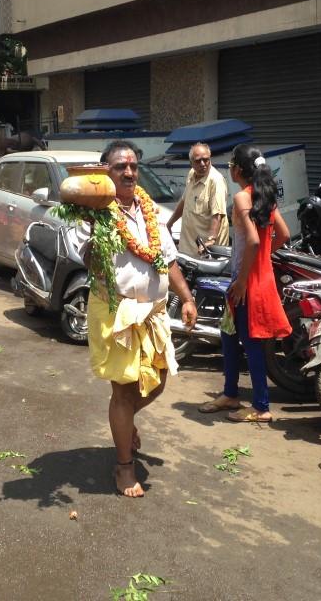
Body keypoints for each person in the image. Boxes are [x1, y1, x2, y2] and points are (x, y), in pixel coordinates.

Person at [80, 140, 197, 497]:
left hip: (154, 312)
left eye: (133, 166)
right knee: (124, 387)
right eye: (120, 167)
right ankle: (124, 467)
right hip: (117, 312)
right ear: (105, 172)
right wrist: (95, 229)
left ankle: (125, 419)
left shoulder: (152, 212)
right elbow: (88, 262)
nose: (129, 172)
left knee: (158, 381)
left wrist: (187, 297)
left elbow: (168, 260)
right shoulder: (93, 212)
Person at [198, 145, 291, 422]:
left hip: (245, 283)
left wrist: (242, 279)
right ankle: (230, 394)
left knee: (250, 344)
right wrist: (262, 257)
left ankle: (261, 407)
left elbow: (251, 240)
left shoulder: (242, 198)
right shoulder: (264, 197)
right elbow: (283, 235)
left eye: (230, 165)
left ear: (237, 169)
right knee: (228, 336)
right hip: (253, 279)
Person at [166, 142, 229, 255]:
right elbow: (185, 201)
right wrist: (169, 224)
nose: (203, 164)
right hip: (188, 246)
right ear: (191, 163)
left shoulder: (216, 181)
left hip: (205, 250)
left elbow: (217, 215)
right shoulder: (192, 174)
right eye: (198, 161)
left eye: (206, 160)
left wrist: (211, 240)